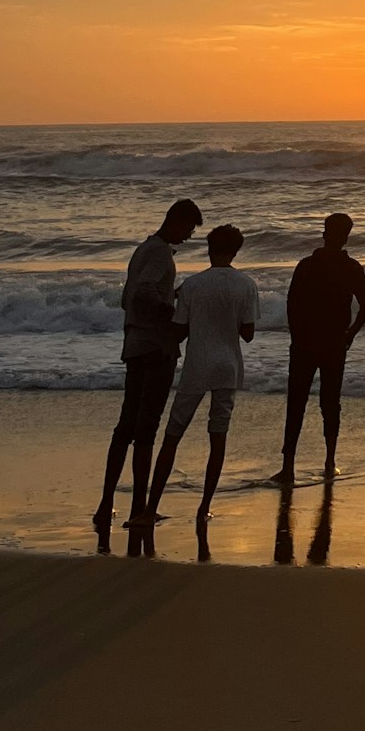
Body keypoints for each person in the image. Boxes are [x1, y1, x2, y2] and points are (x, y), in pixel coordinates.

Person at [93, 197, 203, 548]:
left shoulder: (142, 250)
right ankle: (140, 505)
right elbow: (142, 294)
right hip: (155, 349)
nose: (188, 237)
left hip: (135, 345)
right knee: (146, 430)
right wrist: (171, 310)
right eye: (188, 229)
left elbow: (128, 298)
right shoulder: (159, 254)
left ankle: (106, 501)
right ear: (176, 221)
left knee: (126, 427)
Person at [144, 223, 258, 533]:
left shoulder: (192, 286)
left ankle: (151, 507)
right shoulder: (246, 285)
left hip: (198, 364)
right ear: (236, 251)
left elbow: (179, 331)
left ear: (209, 249)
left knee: (173, 434)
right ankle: (204, 507)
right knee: (217, 435)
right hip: (228, 366)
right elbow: (247, 334)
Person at [273, 212, 365, 482]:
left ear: (325, 233)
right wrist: (350, 334)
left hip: (306, 342)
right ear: (346, 237)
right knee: (330, 402)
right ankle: (330, 461)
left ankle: (289, 466)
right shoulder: (351, 267)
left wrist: (296, 336)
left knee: (297, 402)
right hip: (334, 343)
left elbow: (291, 304)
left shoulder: (306, 265)